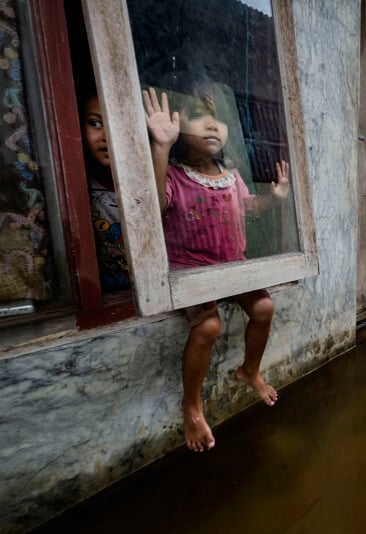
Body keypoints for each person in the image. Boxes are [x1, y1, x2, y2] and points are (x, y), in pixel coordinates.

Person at [142, 86, 289, 452]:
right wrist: (159, 146)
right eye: (199, 116)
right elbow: (154, 203)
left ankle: (249, 370)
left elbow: (250, 207)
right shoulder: (175, 176)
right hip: (190, 272)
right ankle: (192, 406)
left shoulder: (231, 176)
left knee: (264, 308)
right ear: (178, 126)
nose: (212, 125)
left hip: (231, 269)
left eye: (219, 118)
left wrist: (274, 198)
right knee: (208, 325)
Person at [82, 93, 131, 292]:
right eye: (95, 123)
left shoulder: (156, 180)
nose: (108, 135)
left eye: (120, 123)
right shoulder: (78, 183)